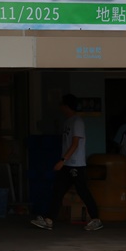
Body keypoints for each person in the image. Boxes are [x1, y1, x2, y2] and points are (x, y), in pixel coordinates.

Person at [31, 95, 103, 232]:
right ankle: (49, 220)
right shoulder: (68, 121)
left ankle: (96, 219)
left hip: (76, 164)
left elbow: (75, 144)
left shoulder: (77, 122)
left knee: (83, 191)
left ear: (66, 106)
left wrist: (62, 160)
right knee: (58, 191)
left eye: (62, 105)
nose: (60, 108)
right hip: (67, 164)